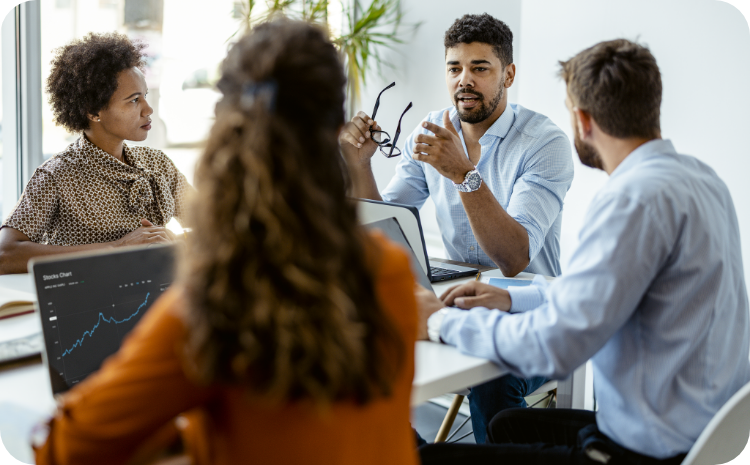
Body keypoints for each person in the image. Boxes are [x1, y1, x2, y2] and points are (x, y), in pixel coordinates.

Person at [32, 20, 420, 465]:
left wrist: (178, 424)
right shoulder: (390, 269)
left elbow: (60, 448)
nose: (146, 109)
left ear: (226, 130)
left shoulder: (212, 308)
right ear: (337, 127)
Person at [417, 38, 750, 464]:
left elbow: (555, 346)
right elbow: (608, 294)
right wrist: (512, 296)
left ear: (583, 119)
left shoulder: (632, 201)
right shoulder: (702, 180)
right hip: (704, 432)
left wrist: (440, 321)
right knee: (507, 426)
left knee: (427, 456)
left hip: (641, 452)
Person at [341, 13, 573, 443]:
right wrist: (360, 166)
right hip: (457, 299)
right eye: (454, 68)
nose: (464, 80)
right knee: (361, 346)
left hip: (532, 310)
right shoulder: (430, 131)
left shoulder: (545, 143)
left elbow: (513, 258)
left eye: (480, 68)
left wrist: (464, 175)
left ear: (508, 74)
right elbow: (385, 224)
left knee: (492, 380)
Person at [0, 32, 192, 275]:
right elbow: (5, 255)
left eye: (146, 96)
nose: (148, 109)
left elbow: (215, 225)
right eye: (134, 100)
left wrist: (179, 241)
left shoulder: (158, 164)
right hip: (91, 305)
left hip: (157, 294)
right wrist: (115, 248)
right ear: (93, 111)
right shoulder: (57, 175)